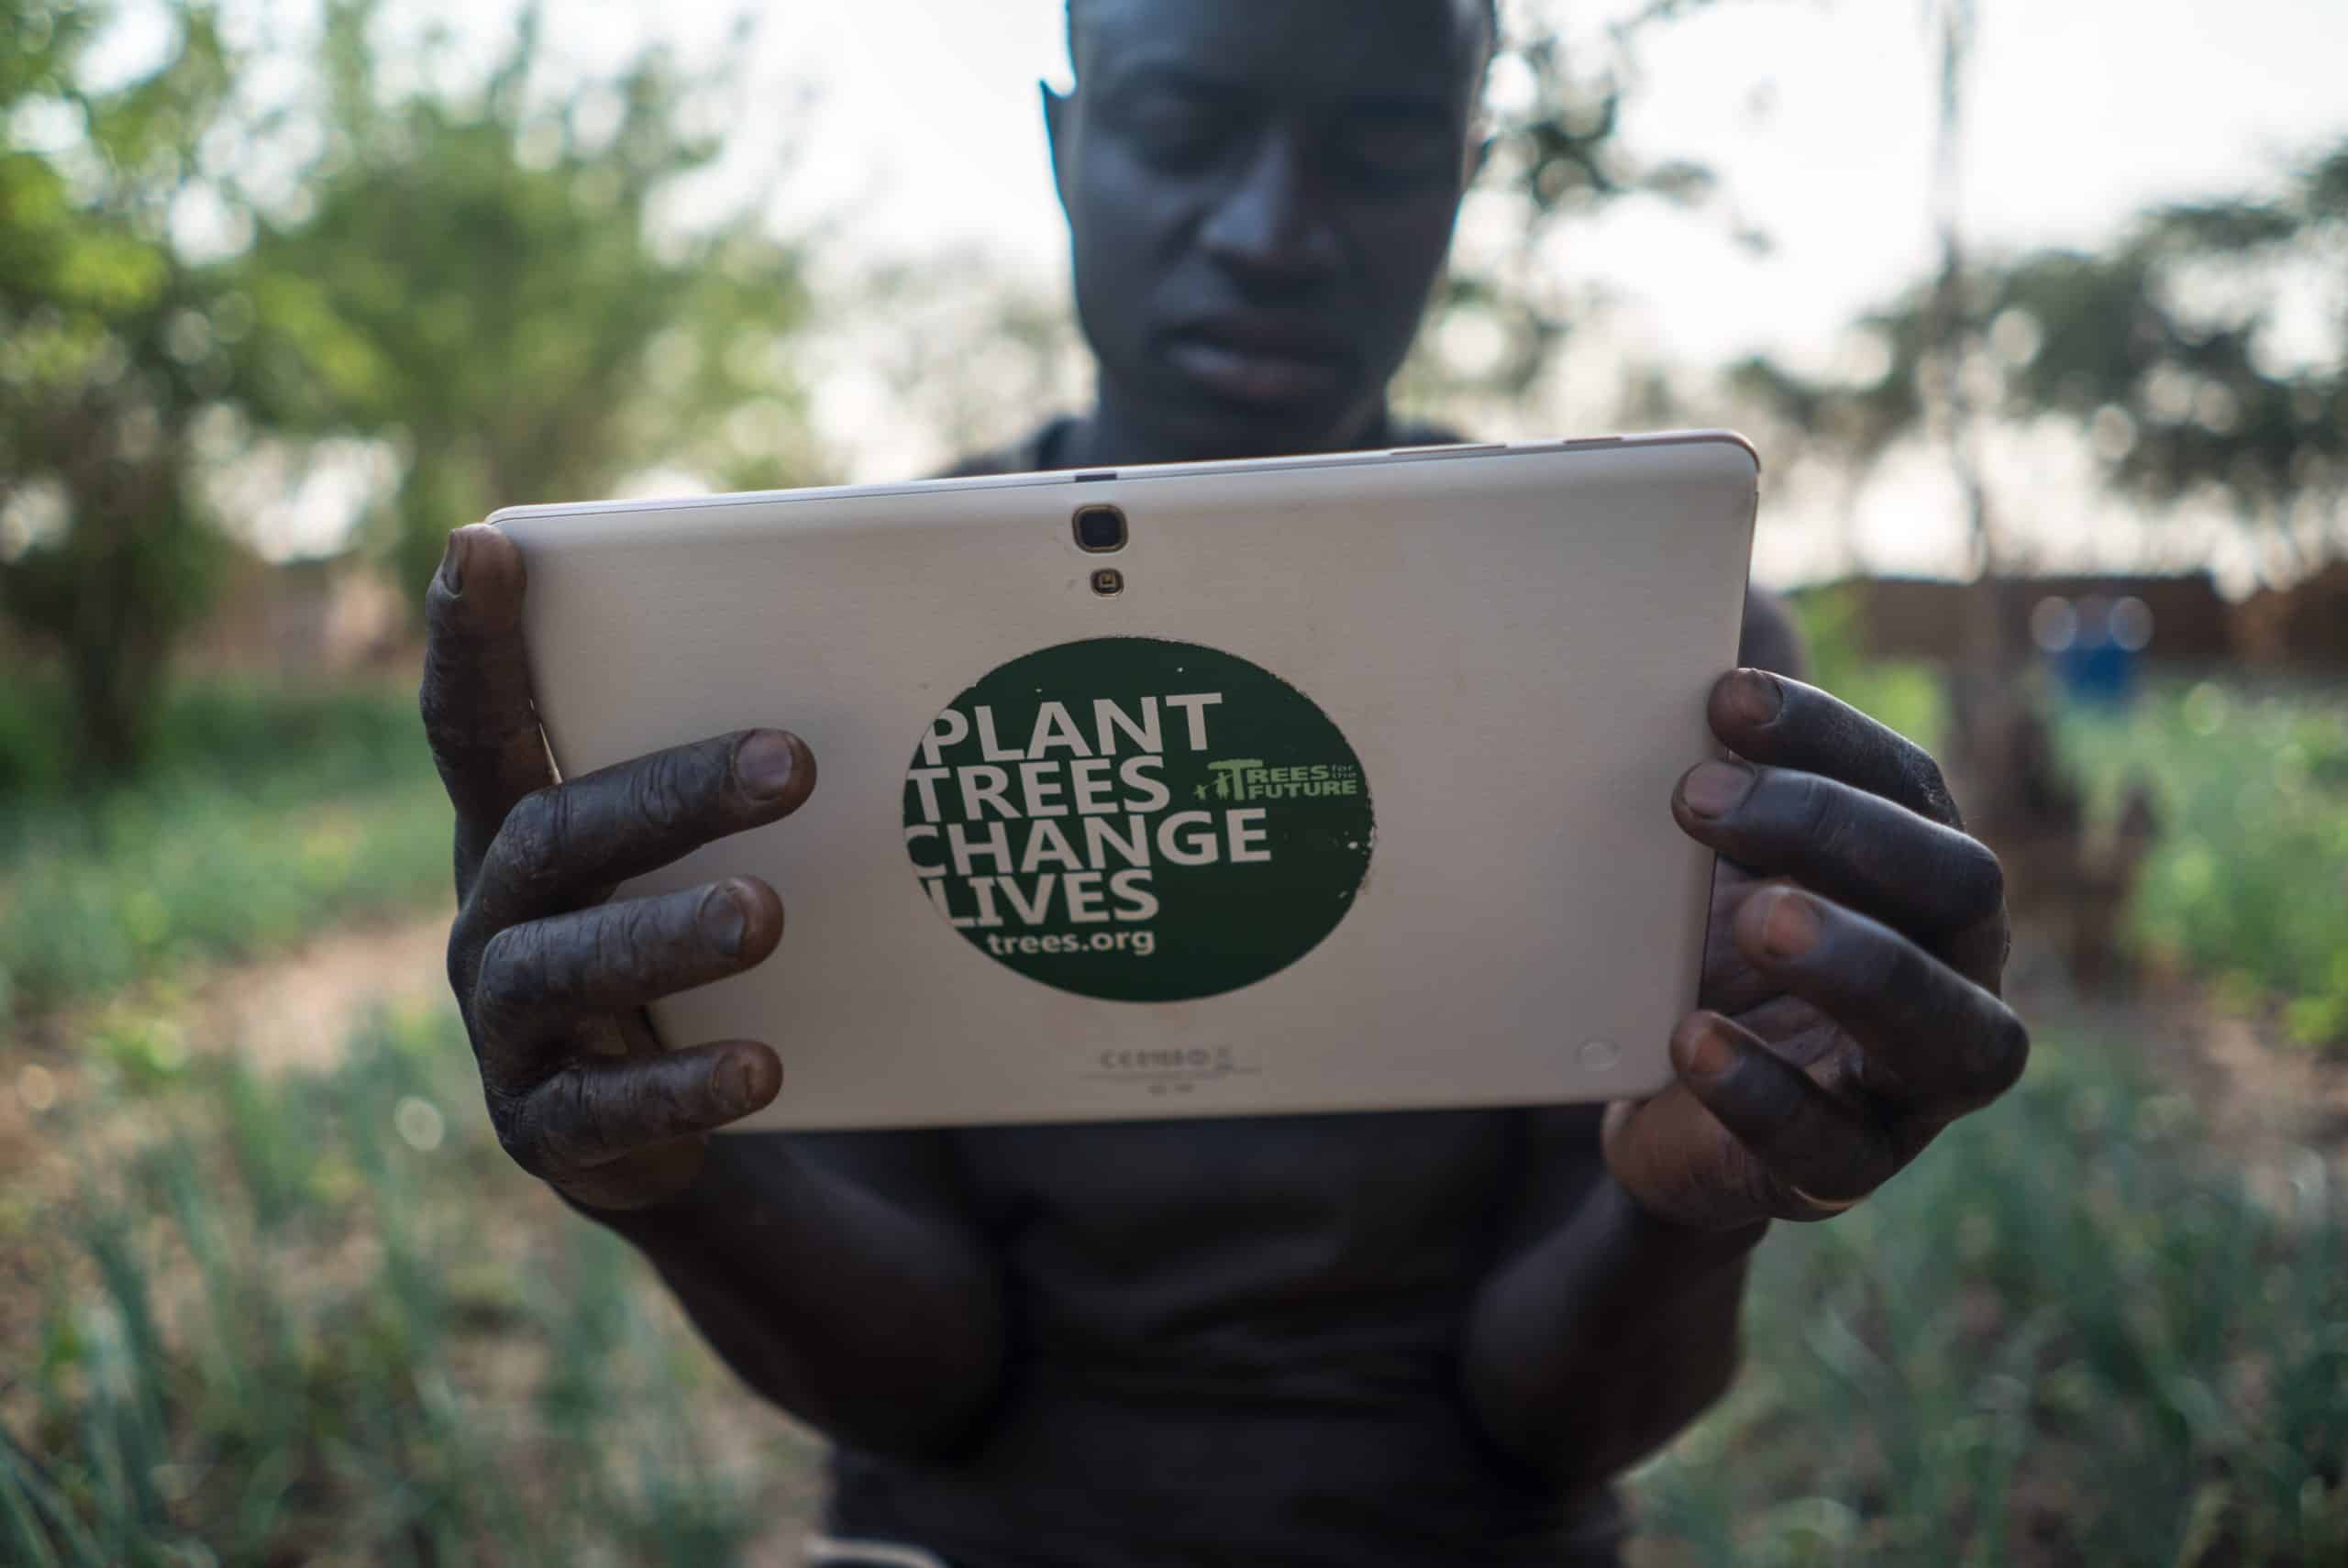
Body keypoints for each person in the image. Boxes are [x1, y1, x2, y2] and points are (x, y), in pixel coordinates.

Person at [416, 2, 2027, 1562]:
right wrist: (668, 1182)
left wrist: (1704, 1197)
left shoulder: (1642, 636)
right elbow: (926, 1387)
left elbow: (1547, 1419)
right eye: (1187, 129)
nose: (1270, 227)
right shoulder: (829, 637)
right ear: (1069, 146)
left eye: (1381, 145)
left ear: (1465, 167)